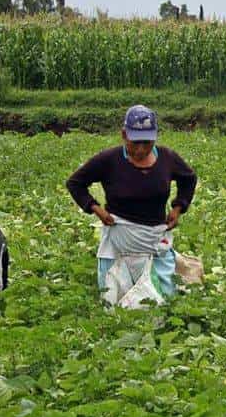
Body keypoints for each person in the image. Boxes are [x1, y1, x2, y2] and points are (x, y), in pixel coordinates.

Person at [66, 105, 197, 297]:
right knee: (117, 301)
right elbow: (75, 183)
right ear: (124, 135)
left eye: (147, 142)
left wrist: (178, 208)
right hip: (120, 242)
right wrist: (96, 208)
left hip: (154, 239)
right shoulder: (109, 160)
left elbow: (189, 178)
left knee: (165, 299)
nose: (141, 149)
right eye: (135, 143)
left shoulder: (167, 158)